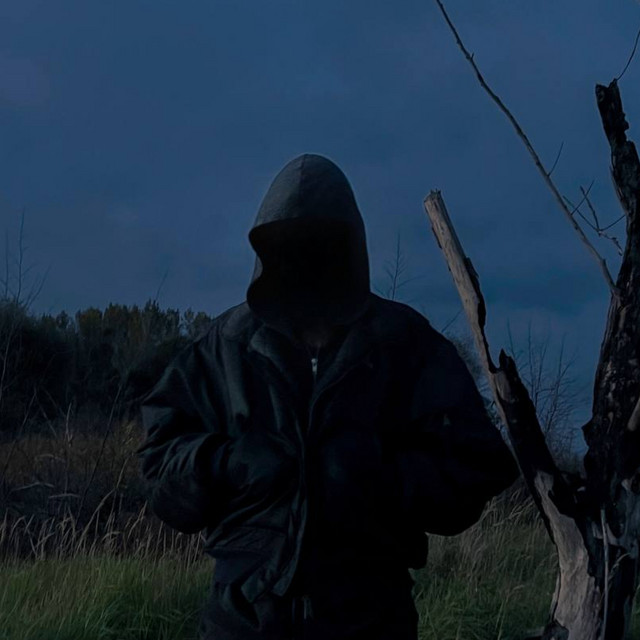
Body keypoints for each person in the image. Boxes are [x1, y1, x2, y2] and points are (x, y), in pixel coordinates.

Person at [135, 153, 520, 640]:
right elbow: (160, 468)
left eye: (323, 245)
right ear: (269, 252)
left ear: (349, 250)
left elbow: (478, 465)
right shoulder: (224, 348)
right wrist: (225, 462)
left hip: (371, 618)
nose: (307, 261)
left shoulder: (403, 344)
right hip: (242, 618)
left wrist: (379, 471)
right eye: (291, 246)